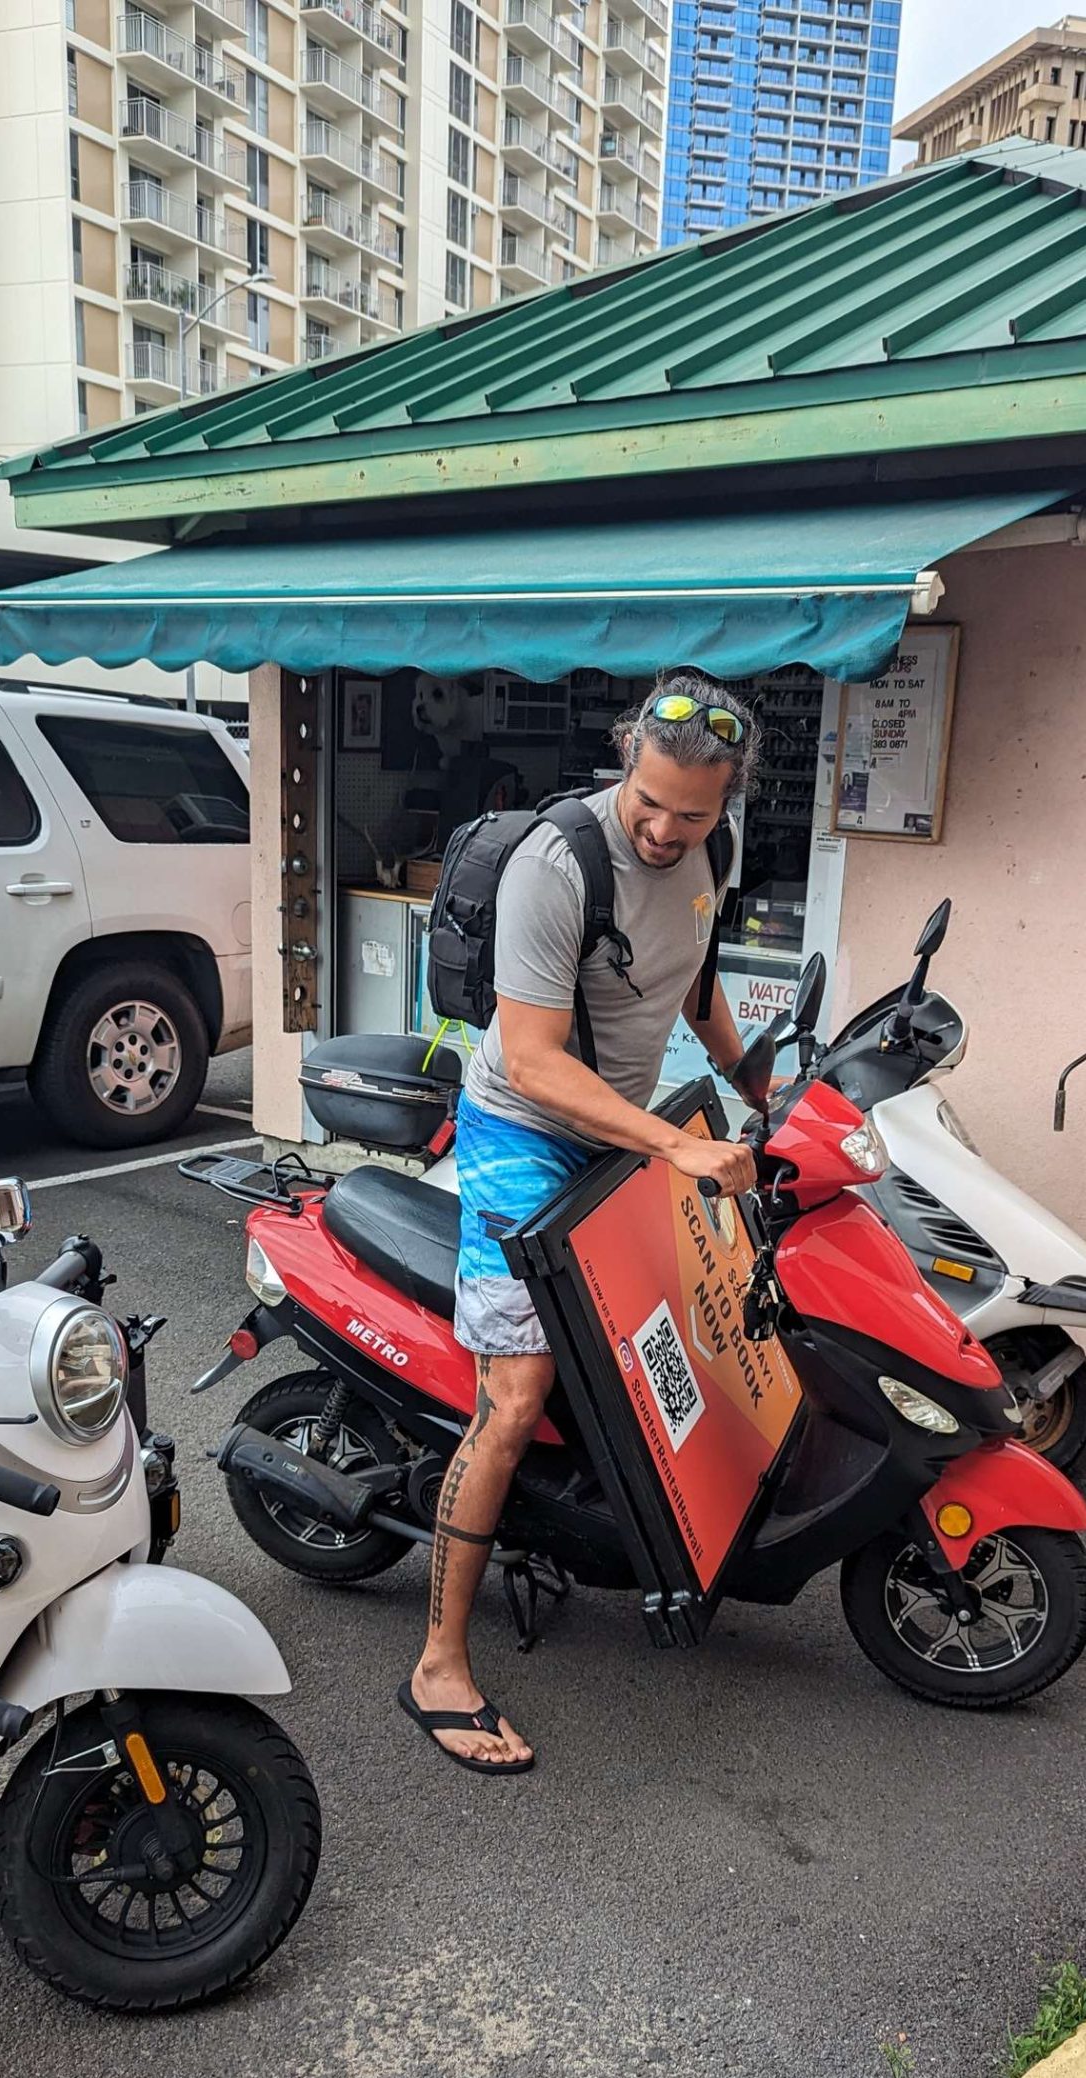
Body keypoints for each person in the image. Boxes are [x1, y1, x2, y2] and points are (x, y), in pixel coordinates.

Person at [398, 675, 763, 1775]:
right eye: (648, 800)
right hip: (521, 1124)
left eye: (689, 813)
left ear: (725, 800)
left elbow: (693, 987)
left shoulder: (717, 852)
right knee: (513, 1398)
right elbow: (535, 1057)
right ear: (625, 761)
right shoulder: (559, 862)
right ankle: (438, 1665)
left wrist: (761, 1079)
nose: (662, 829)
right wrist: (678, 1144)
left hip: (617, 1122)